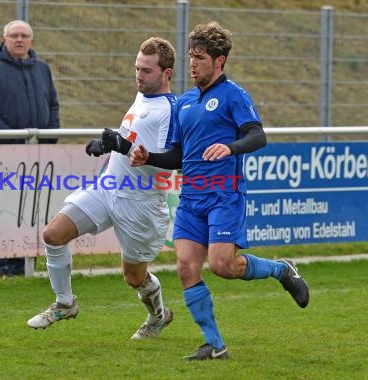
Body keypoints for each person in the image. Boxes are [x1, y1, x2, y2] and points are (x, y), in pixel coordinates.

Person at [130, 21, 310, 360]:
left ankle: (281, 269)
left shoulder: (233, 95)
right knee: (185, 268)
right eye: (191, 57)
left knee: (223, 265)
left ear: (219, 62)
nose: (193, 64)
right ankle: (214, 344)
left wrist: (230, 147)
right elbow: (179, 155)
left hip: (224, 194)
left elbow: (258, 136)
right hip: (191, 197)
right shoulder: (184, 103)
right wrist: (149, 156)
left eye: (200, 57)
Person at [27, 37, 178, 340]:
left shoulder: (171, 110)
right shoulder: (142, 97)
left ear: (167, 74)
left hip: (140, 203)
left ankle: (158, 315)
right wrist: (108, 146)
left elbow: (164, 166)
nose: (139, 75)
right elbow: (132, 139)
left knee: (134, 277)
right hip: (108, 187)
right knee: (53, 235)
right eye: (137, 68)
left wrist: (123, 146)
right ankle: (65, 303)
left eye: (146, 70)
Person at [0, 20, 60, 277]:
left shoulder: (42, 70)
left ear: (31, 40)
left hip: (36, 157)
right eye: (14, 36)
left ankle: (23, 262)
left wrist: (49, 138)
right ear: (4, 39)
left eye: (24, 36)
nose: (19, 40)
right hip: (4, 155)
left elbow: (53, 105)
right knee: (3, 207)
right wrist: (12, 141)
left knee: (31, 207)